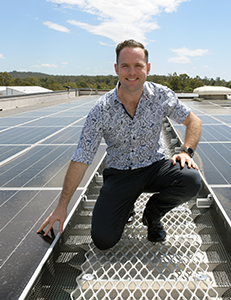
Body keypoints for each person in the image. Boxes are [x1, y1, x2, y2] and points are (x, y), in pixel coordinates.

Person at [37, 39, 202, 250]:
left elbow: (193, 121)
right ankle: (127, 206)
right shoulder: (101, 109)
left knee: (191, 178)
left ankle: (152, 215)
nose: (131, 72)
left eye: (138, 66)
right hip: (120, 174)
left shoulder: (161, 95)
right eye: (125, 66)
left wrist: (186, 152)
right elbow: (82, 156)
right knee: (103, 240)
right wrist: (62, 206)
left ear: (147, 68)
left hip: (154, 167)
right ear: (116, 69)